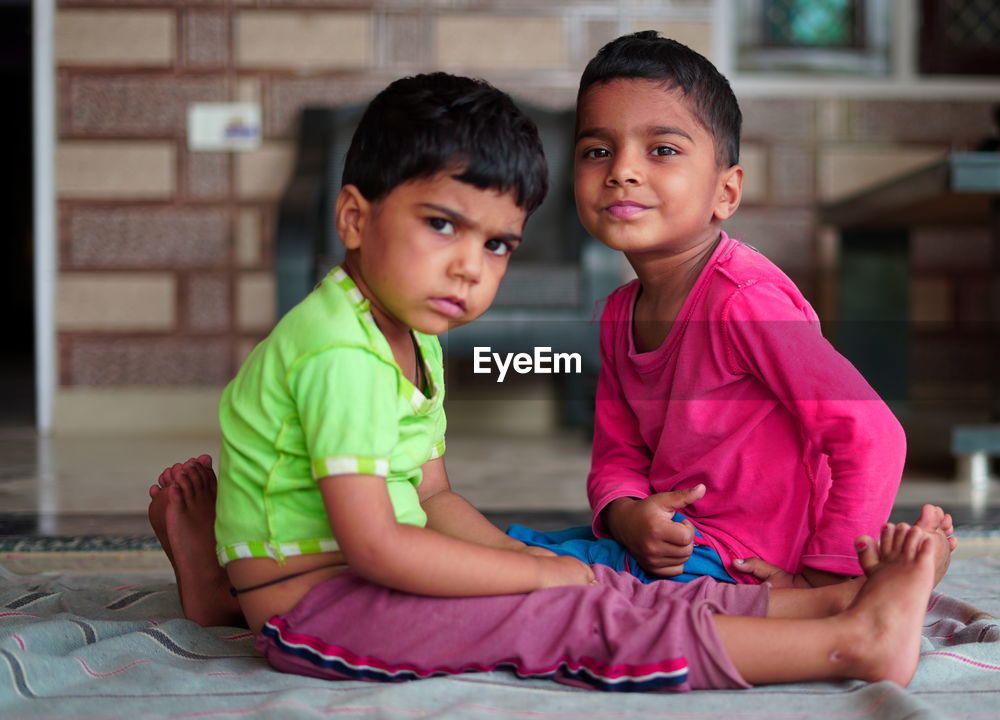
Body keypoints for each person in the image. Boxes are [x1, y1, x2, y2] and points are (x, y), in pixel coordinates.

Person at [147, 71, 949, 691]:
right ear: (354, 217)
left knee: (581, 576)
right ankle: (850, 639)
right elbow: (381, 543)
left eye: (497, 245)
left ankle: (830, 601)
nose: (469, 264)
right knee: (570, 612)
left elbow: (431, 500)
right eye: (442, 224)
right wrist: (544, 576)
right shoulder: (340, 355)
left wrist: (556, 569)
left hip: (331, 577)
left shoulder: (405, 335)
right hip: (324, 605)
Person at [509, 31, 954, 589]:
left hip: (746, 561)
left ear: (726, 192)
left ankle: (862, 599)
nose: (622, 170)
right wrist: (628, 515)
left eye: (662, 149)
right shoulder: (619, 315)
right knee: (510, 551)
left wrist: (824, 578)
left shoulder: (746, 302)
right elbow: (618, 453)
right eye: (597, 150)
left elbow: (871, 433)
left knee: (544, 586)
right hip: (678, 545)